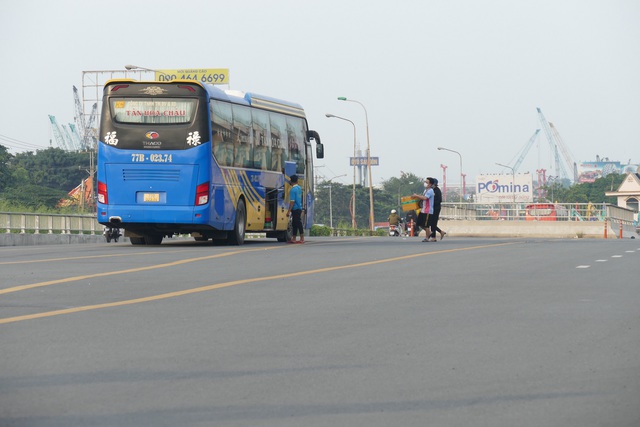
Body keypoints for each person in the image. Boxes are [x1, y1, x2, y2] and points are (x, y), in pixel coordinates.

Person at [412, 177, 435, 242]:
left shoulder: (430, 191)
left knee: (426, 225)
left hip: (428, 210)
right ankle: (429, 233)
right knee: (420, 223)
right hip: (423, 209)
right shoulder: (425, 190)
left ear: (430, 184)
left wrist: (416, 196)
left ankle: (427, 237)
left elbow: (425, 198)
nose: (425, 183)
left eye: (427, 182)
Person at [286, 174, 304, 243]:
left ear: (291, 181)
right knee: (294, 223)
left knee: (298, 223)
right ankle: (294, 238)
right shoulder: (299, 188)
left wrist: (288, 211)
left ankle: (302, 238)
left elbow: (292, 202)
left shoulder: (293, 190)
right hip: (299, 207)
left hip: (295, 208)